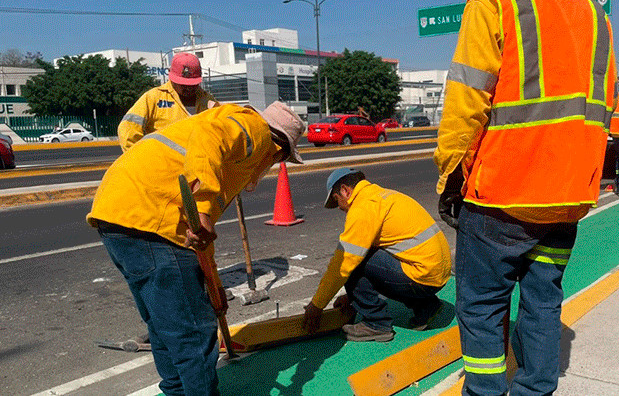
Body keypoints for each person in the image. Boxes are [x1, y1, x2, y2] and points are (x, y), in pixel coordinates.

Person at [434, 0, 617, 394]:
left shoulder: (494, 1)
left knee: (481, 307)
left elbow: (465, 108)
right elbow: (603, 107)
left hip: (501, 197)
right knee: (542, 302)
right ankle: (536, 389)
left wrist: (449, 178)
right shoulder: (595, 17)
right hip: (567, 200)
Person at [87, 101, 305, 396]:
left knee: (164, 324)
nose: (274, 165)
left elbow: (201, 239)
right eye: (281, 159)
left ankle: (177, 392)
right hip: (153, 219)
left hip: (118, 215)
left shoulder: (228, 160)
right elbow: (209, 136)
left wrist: (213, 284)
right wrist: (202, 206)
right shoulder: (255, 130)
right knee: (193, 332)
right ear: (278, 147)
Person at [301, 168, 451, 342]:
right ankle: (426, 306)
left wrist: (317, 305)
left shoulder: (363, 207)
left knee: (352, 260)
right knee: (366, 253)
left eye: (337, 200)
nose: (341, 209)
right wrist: (352, 296)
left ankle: (376, 324)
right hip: (436, 274)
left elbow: (343, 264)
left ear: (345, 191)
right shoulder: (382, 195)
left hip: (423, 277)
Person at [118, 52, 217, 151]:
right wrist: (138, 159)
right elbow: (128, 129)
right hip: (162, 164)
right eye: (184, 85)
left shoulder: (208, 100)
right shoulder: (153, 98)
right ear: (173, 79)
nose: (189, 88)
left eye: (193, 84)